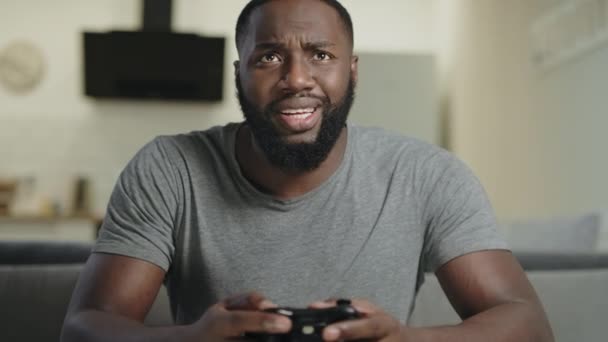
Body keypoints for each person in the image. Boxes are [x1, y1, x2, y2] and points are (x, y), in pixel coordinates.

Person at [61, 0, 554, 341]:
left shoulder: (427, 175)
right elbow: (85, 326)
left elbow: (527, 325)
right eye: (270, 56)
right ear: (238, 73)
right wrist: (192, 339)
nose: (297, 79)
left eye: (321, 55)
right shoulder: (168, 169)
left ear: (352, 70)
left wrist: (404, 339)